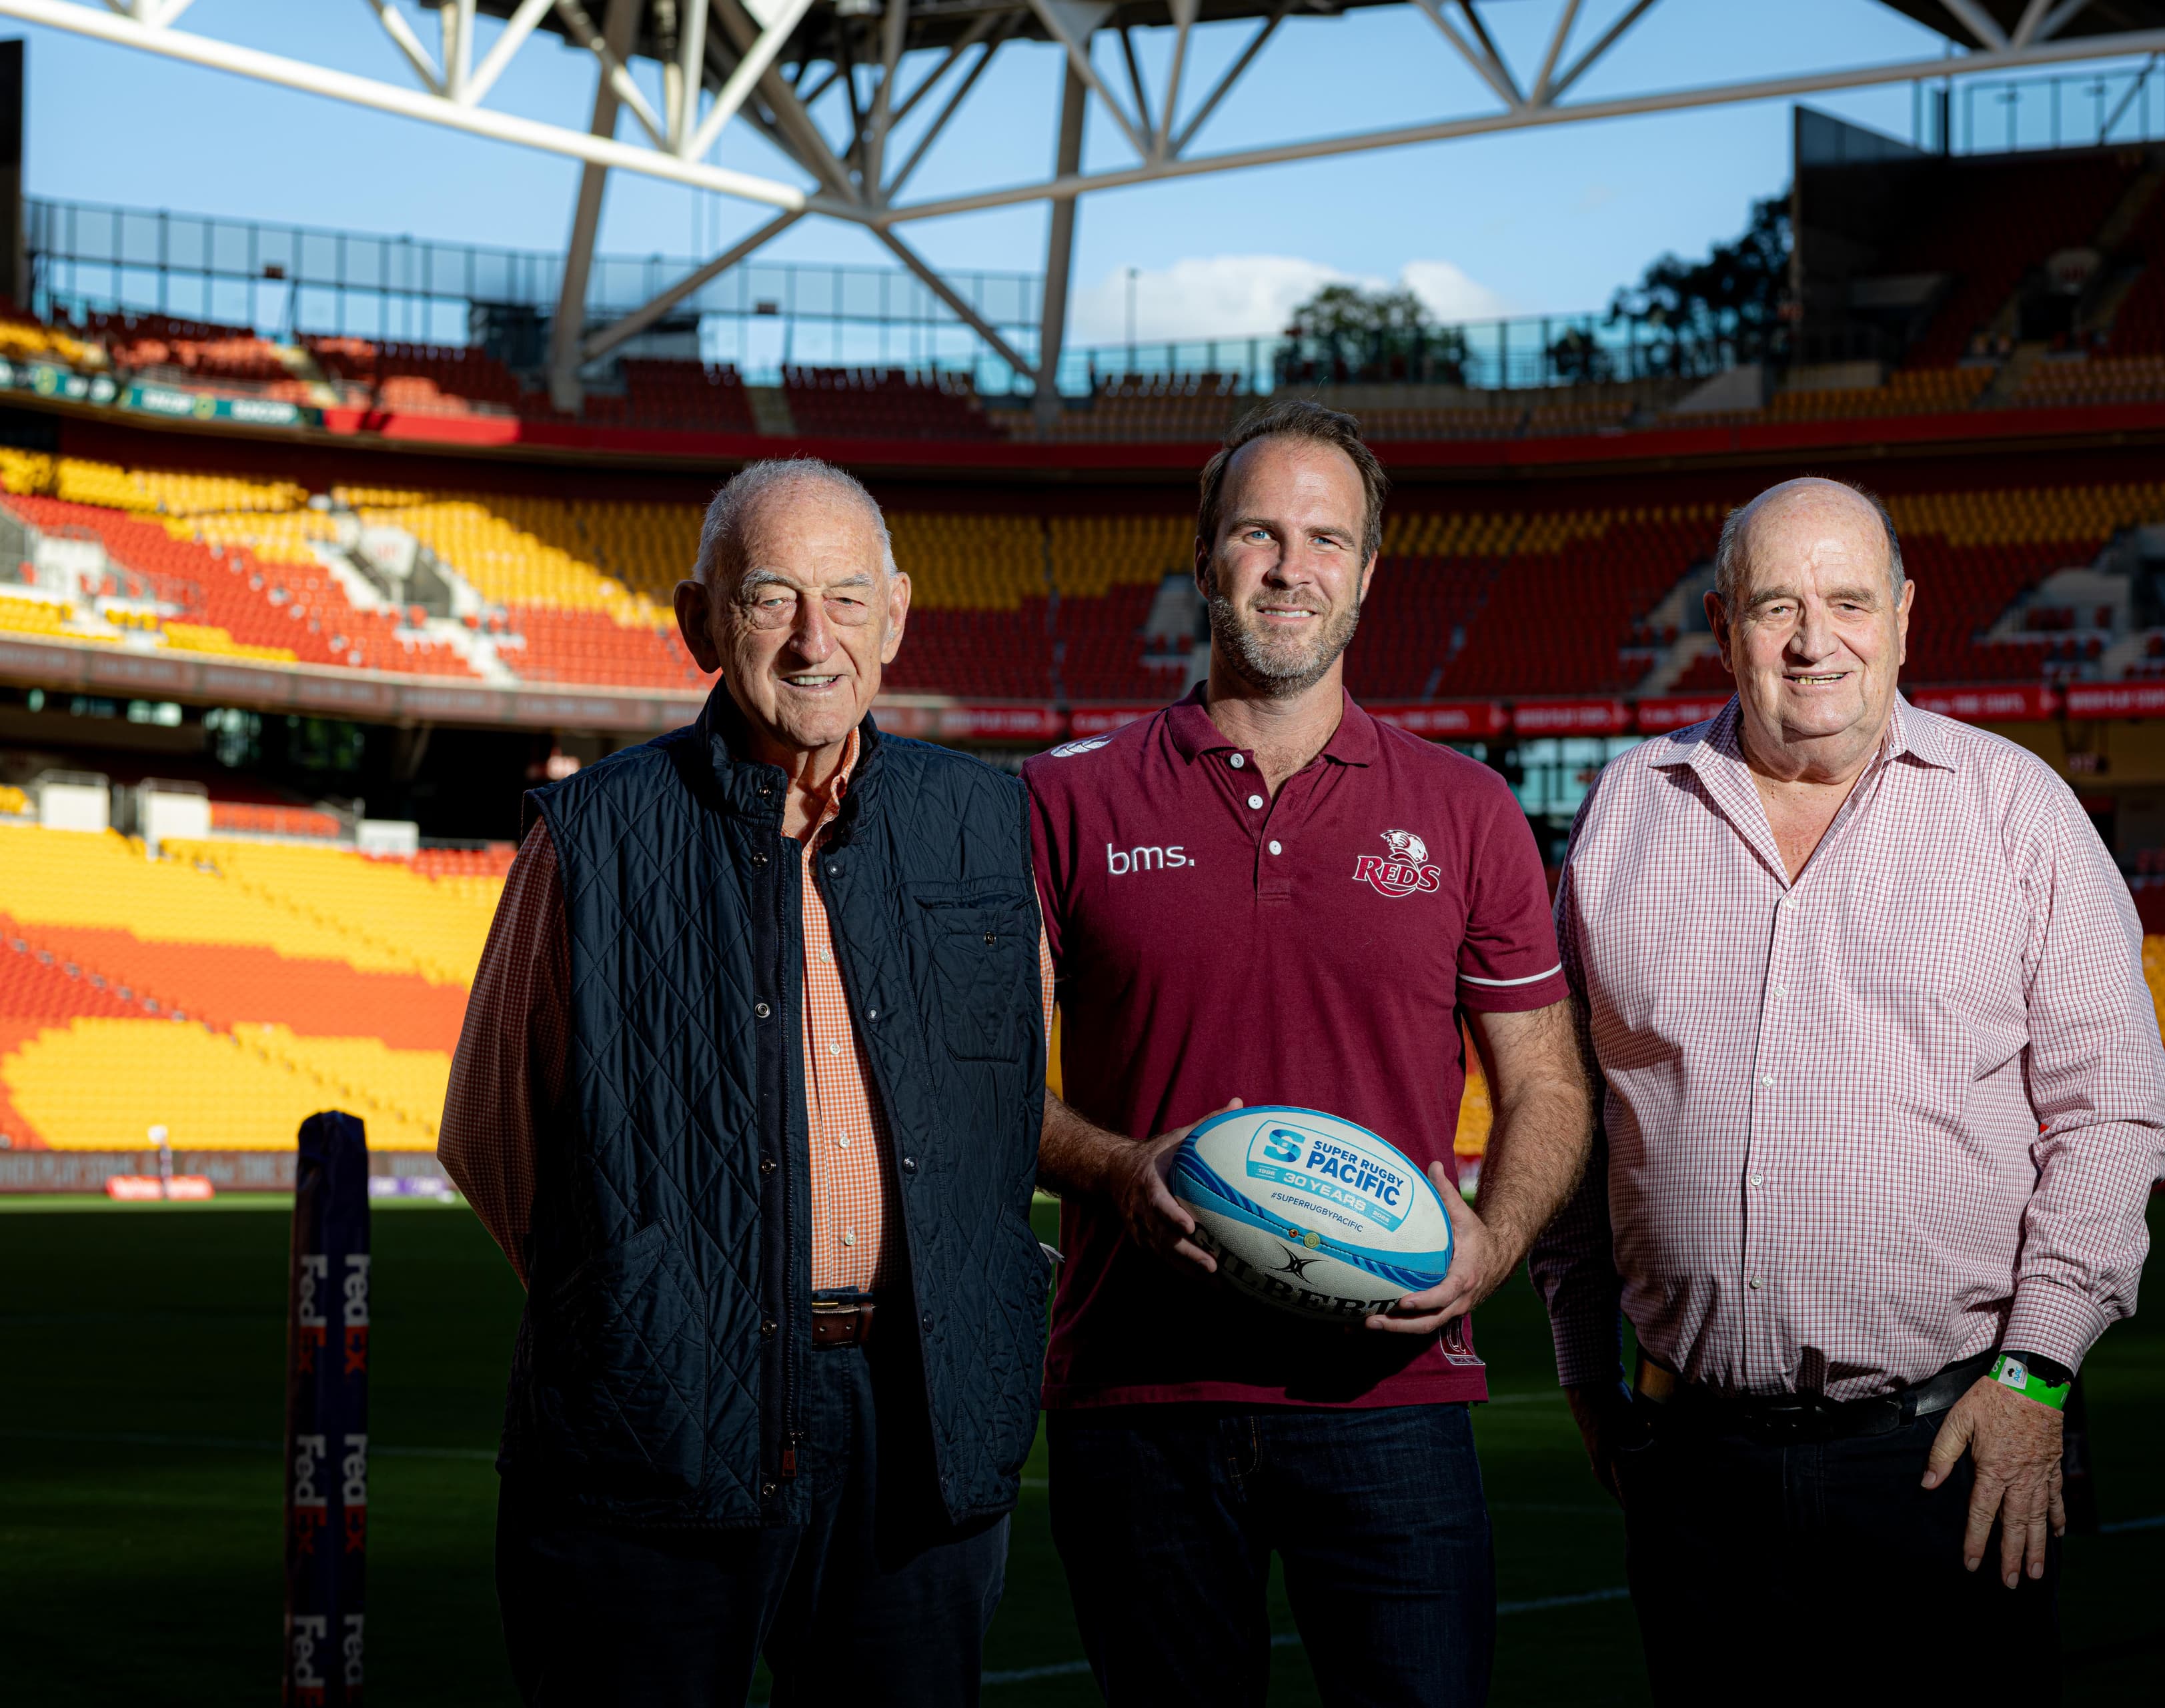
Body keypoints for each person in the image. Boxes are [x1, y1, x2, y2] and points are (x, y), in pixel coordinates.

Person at [1531, 476, 2165, 1695]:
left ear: (1906, 615)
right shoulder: (1627, 810)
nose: (1814, 640)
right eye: (1776, 605)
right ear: (1721, 625)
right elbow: (1573, 1108)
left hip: (1952, 1452)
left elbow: (2115, 1115)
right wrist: (1580, 1363)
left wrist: (2037, 1374)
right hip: (1692, 1460)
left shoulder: (2018, 812)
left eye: (1847, 601)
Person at [439, 458, 1052, 1708]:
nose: (816, 637)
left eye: (846, 596)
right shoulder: (594, 835)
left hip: (918, 1431)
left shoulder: (988, 823)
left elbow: (1000, 1113)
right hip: (653, 1428)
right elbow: (490, 1134)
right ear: (701, 622)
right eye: (772, 598)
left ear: (898, 611)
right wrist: (648, 1311)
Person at [1026, 401, 1591, 1707]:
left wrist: (1492, 1247)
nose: (1293, 566)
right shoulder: (1063, 802)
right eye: (1259, 534)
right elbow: (985, 1084)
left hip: (1392, 1392)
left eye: (1327, 537)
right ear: (1204, 557)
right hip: (1136, 1392)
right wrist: (1116, 1167)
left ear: (1370, 572)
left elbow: (1550, 1086)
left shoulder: (1467, 811)